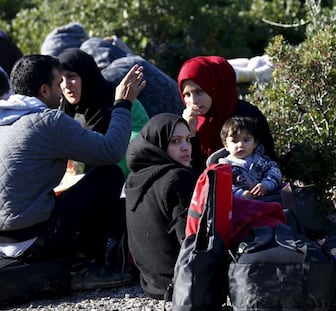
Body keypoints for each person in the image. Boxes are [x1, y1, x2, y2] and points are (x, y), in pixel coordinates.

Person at [0, 54, 145, 290]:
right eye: (59, 84)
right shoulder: (47, 121)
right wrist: (123, 104)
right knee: (108, 175)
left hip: (3, 239)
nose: (63, 89)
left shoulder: (3, 117)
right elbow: (111, 151)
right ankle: (85, 266)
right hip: (30, 239)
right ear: (44, 90)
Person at [124, 113, 196, 299]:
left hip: (152, 284)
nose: (185, 147)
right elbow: (190, 242)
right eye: (175, 141)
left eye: (188, 140)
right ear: (159, 142)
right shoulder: (177, 177)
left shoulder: (135, 177)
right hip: (182, 282)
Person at [177, 55, 276, 174]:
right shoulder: (189, 121)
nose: (193, 101)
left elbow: (269, 162)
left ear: (216, 87)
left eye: (199, 92)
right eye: (187, 95)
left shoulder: (247, 116)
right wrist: (188, 136)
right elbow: (188, 170)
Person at [58, 48, 150, 177]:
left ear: (86, 76)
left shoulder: (121, 99)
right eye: (60, 79)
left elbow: (140, 140)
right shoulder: (64, 110)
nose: (66, 85)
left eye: (71, 77)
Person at [217, 116, 282, 200]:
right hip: (238, 207)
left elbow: (275, 172)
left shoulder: (262, 161)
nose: (240, 145)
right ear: (226, 144)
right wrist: (239, 193)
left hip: (265, 201)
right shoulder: (223, 167)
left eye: (246, 140)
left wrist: (266, 185)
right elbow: (221, 185)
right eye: (235, 141)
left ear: (255, 143)